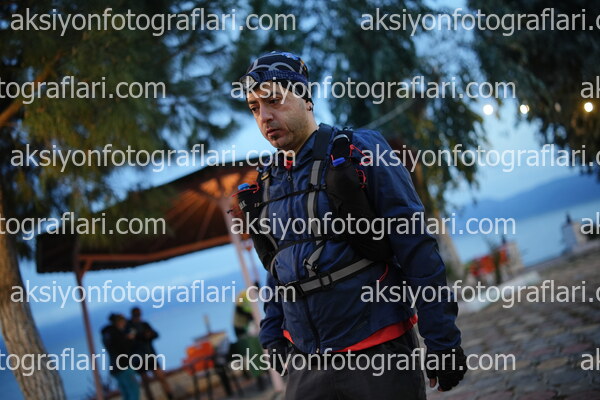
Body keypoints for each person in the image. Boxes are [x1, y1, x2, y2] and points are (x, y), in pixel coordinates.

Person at [237, 51, 467, 399]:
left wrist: (442, 342)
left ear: (305, 97)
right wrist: (271, 335)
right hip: (306, 363)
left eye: (274, 101)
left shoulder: (361, 150)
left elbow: (416, 247)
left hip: (377, 352)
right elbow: (280, 265)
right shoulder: (270, 180)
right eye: (254, 107)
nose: (265, 116)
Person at [127, 307, 174, 400]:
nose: (138, 316)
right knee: (146, 382)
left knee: (161, 377)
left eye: (139, 314)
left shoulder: (144, 324)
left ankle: (170, 396)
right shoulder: (129, 326)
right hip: (138, 358)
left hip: (150, 355)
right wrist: (144, 336)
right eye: (136, 314)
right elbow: (132, 339)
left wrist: (145, 336)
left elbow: (155, 334)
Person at [101, 313, 140, 400]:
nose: (124, 325)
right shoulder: (116, 333)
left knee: (126, 393)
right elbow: (123, 348)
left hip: (115, 367)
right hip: (123, 366)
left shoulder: (107, 335)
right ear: (119, 322)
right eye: (123, 322)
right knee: (134, 391)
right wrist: (129, 339)